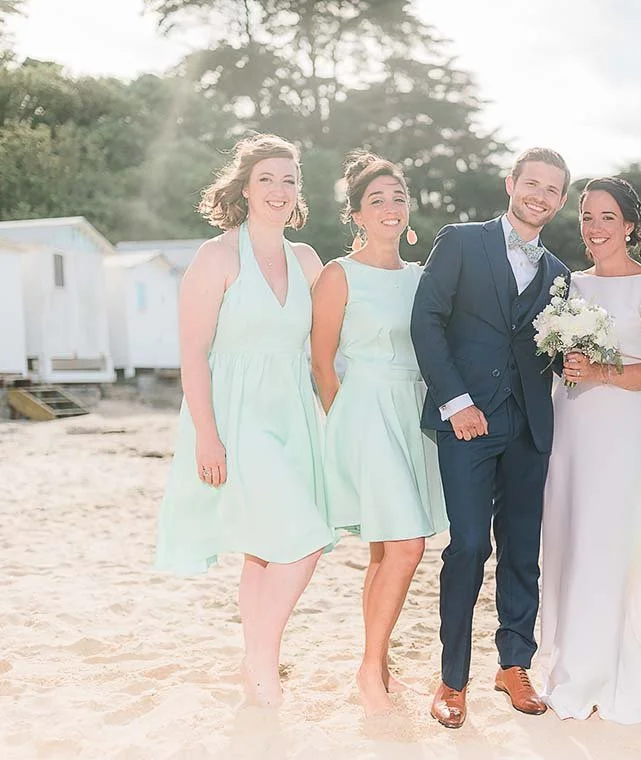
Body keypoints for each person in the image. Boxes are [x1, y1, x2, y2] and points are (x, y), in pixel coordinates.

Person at [155, 134, 334, 707]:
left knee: (266, 547)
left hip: (293, 414)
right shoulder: (216, 257)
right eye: (267, 180)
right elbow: (192, 353)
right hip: (236, 416)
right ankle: (262, 659)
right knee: (303, 541)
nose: (279, 190)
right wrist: (207, 436)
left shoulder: (307, 259)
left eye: (289, 179)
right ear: (245, 189)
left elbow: (335, 340)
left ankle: (257, 662)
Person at [410, 148, 572, 729]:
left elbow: (550, 353)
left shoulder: (559, 274)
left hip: (529, 427)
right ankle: (453, 679)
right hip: (467, 423)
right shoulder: (459, 240)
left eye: (552, 189)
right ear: (511, 183)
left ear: (559, 200)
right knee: (470, 545)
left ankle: (514, 665)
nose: (540, 195)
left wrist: (591, 367)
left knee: (522, 548)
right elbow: (426, 320)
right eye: (532, 183)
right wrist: (457, 402)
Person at [310, 152, 448, 716]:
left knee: (385, 549)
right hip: (365, 411)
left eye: (398, 198)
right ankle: (371, 666)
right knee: (408, 544)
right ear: (356, 215)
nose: (390, 208)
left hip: (412, 411)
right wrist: (348, 429)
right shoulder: (339, 275)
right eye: (377, 200)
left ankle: (378, 661)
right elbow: (322, 365)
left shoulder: (423, 278)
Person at [538, 177, 641, 724]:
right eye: (587, 218)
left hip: (618, 428)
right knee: (569, 539)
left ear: (627, 225)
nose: (595, 229)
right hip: (569, 423)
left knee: (605, 540)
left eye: (605, 218)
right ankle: (569, 667)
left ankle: (605, 669)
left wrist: (601, 371)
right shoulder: (571, 284)